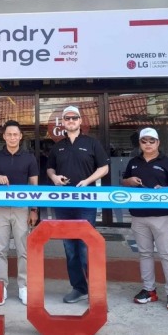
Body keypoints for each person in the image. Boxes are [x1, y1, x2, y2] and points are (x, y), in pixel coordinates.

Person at [46, 105, 109, 303]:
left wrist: (88, 181)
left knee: (85, 245)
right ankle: (79, 288)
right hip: (63, 203)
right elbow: (49, 169)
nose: (71, 121)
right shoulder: (58, 146)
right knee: (69, 247)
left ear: (80, 121)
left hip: (86, 202)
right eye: (67, 118)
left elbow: (104, 168)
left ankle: (94, 288)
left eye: (74, 118)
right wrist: (55, 178)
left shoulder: (92, 143)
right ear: (63, 122)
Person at [122, 127, 168, 311]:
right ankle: (149, 290)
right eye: (144, 141)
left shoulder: (167, 163)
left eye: (151, 141)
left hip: (161, 215)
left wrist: (164, 190)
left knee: (166, 254)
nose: (148, 144)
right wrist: (129, 181)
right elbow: (124, 181)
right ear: (140, 143)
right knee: (145, 253)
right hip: (138, 215)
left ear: (158, 143)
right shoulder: (133, 162)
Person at [0, 120, 39, 306]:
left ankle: (24, 287)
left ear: (20, 136)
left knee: (23, 250)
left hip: (21, 209)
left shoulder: (29, 158)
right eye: (9, 134)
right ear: (4, 136)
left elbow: (34, 186)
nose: (12, 137)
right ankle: (1, 287)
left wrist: (34, 210)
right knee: (1, 249)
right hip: (0, 208)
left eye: (15, 134)